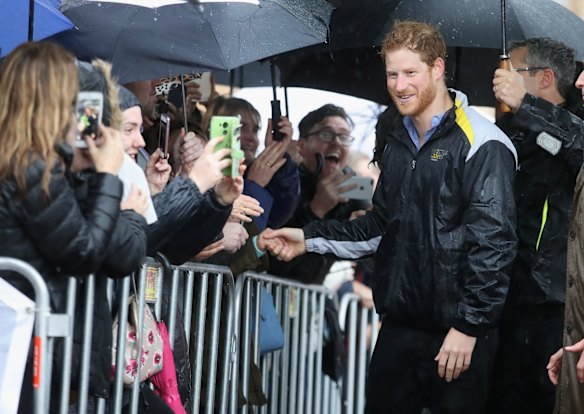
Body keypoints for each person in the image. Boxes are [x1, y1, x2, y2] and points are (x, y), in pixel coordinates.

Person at [262, 20, 518, 413]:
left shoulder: (484, 143)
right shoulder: (396, 139)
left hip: (459, 334)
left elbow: (495, 245)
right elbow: (380, 227)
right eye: (392, 74)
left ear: (437, 68)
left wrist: (469, 326)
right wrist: (306, 237)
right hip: (399, 328)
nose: (400, 85)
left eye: (410, 72)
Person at [487, 38, 584, 414]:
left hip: (556, 305)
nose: (501, 79)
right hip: (508, 299)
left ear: (544, 78)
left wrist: (527, 105)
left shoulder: (573, 122)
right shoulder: (508, 131)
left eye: (514, 72)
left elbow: (577, 145)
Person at [267, 103, 370, 285]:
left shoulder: (354, 186)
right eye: (326, 134)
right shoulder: (286, 181)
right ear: (302, 145)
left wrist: (361, 230)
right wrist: (317, 209)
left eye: (343, 136)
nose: (336, 142)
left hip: (317, 300)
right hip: (274, 292)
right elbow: (274, 258)